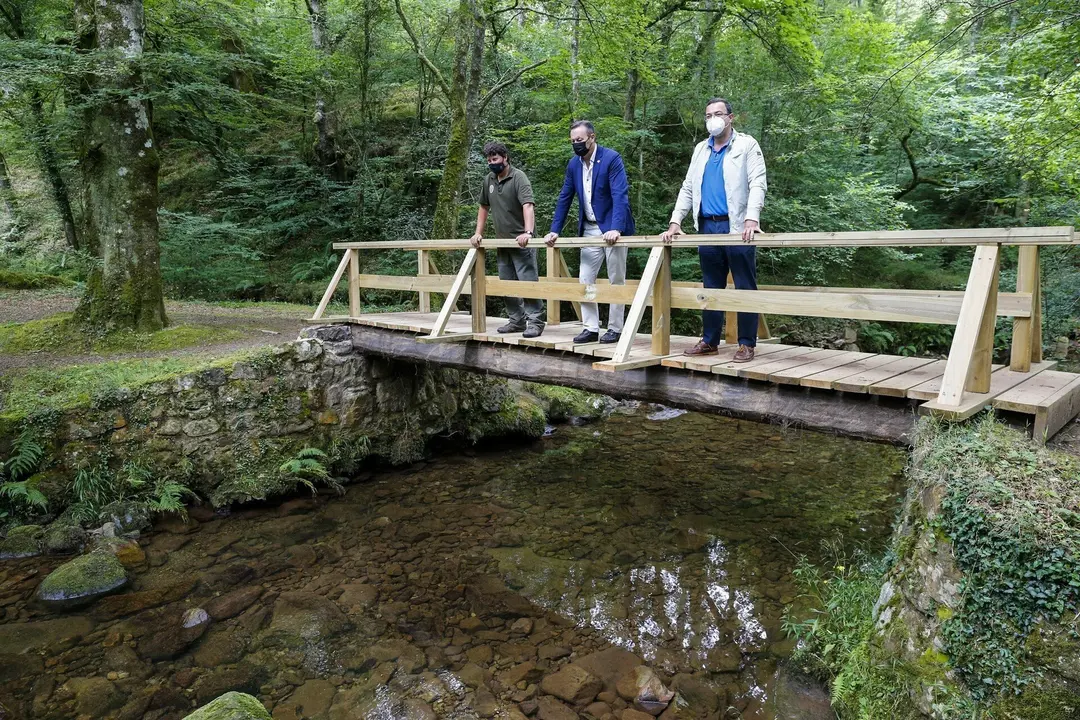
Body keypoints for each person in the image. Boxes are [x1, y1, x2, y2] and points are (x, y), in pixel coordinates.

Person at [661, 97, 767, 362]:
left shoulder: (747, 145)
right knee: (710, 286)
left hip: (737, 227)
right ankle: (710, 340)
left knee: (744, 285)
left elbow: (758, 182)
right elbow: (688, 187)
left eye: (718, 114)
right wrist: (676, 221)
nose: (713, 119)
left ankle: (746, 343)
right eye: (708, 115)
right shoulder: (700, 149)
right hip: (707, 226)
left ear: (731, 117)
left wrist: (752, 218)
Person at [545, 120, 635, 344]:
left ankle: (615, 328)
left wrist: (616, 228)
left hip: (613, 228)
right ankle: (590, 327)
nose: (576, 144)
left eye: (580, 140)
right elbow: (565, 198)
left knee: (616, 279)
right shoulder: (573, 165)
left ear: (592, 137)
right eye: (573, 141)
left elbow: (620, 195)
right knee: (585, 278)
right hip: (589, 229)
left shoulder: (611, 159)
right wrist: (554, 230)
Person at [470, 141, 544, 338]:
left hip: (521, 241)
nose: (492, 163)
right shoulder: (489, 180)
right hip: (501, 242)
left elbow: (528, 205)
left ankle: (535, 321)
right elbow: (483, 207)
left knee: (527, 282)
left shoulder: (518, 177)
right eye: (489, 160)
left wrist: (528, 233)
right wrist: (479, 233)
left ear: (505, 158)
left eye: (495, 159)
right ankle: (516, 320)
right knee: (506, 282)